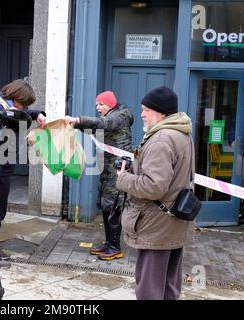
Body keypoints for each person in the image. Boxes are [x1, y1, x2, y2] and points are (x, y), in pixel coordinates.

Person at [116, 86, 194, 300]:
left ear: (161, 112)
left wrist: (124, 178)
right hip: (174, 221)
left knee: (149, 288)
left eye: (146, 110)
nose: (142, 114)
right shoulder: (182, 134)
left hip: (157, 224)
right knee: (169, 285)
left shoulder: (161, 139)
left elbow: (153, 187)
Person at [0, 79, 46, 262]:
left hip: (1, 166)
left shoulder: (8, 108)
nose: (24, 108)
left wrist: (38, 114)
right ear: (15, 98)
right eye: (23, 104)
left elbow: (23, 112)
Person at [65, 91, 133, 260]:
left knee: (114, 205)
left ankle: (115, 246)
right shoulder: (109, 116)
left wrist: (78, 120)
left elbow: (103, 123)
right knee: (105, 204)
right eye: (96, 104)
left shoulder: (119, 116)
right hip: (106, 167)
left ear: (109, 104)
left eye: (100, 104)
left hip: (118, 169)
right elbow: (94, 127)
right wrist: (74, 125)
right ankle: (108, 243)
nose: (97, 107)